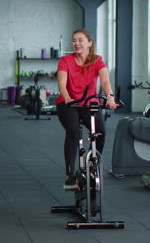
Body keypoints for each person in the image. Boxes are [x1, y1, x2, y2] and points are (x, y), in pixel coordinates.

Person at [56, 29, 117, 190]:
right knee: (74, 131)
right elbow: (62, 83)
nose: (76, 43)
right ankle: (69, 174)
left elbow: (105, 82)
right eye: (74, 40)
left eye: (80, 40)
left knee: (100, 133)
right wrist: (68, 99)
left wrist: (110, 97)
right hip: (68, 104)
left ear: (89, 43)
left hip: (89, 104)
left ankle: (91, 168)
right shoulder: (65, 60)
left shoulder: (98, 61)